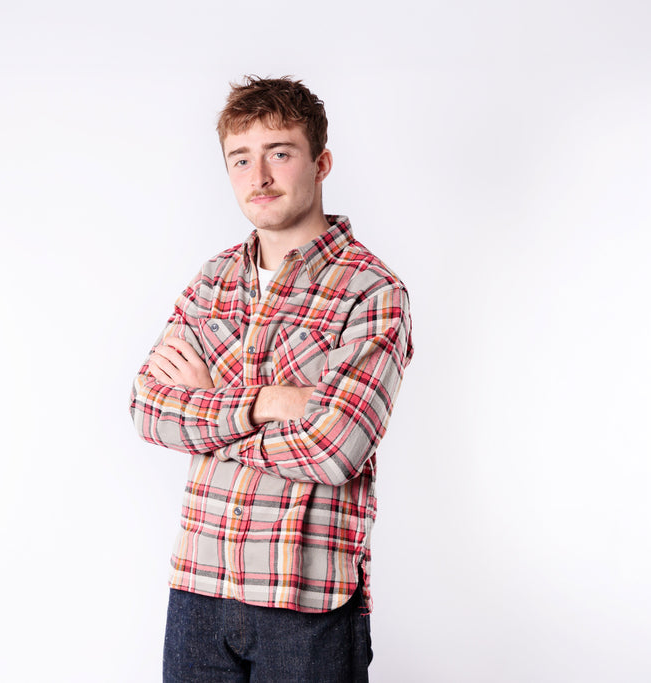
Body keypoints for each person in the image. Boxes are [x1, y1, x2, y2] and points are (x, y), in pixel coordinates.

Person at [129, 75, 414, 682]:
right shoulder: (213, 280)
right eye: (241, 159)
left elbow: (335, 448)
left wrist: (207, 405)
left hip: (305, 602)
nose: (258, 176)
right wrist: (266, 404)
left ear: (321, 162)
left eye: (279, 153)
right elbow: (148, 408)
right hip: (197, 592)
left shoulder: (373, 292)